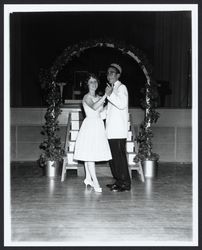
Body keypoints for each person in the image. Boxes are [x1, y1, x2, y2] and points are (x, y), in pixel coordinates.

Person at [74, 73, 112, 193]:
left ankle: (88, 178)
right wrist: (106, 95)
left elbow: (100, 113)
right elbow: (94, 107)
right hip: (90, 126)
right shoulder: (86, 97)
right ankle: (95, 181)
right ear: (87, 84)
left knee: (90, 152)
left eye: (95, 81)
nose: (94, 84)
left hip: (98, 125)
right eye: (91, 82)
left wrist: (109, 107)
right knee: (90, 154)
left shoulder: (98, 96)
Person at [105, 63, 131, 192]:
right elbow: (108, 110)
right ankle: (118, 181)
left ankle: (125, 184)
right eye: (108, 72)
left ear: (118, 75)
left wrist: (109, 95)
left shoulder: (122, 88)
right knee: (113, 158)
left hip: (118, 131)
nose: (109, 75)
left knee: (119, 158)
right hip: (110, 130)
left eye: (112, 72)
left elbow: (121, 104)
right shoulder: (112, 89)